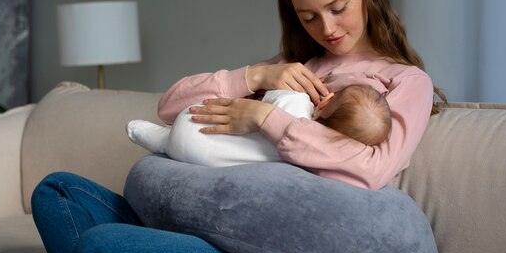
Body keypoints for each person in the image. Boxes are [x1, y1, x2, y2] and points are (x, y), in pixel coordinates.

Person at [31, 0, 446, 253]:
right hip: (219, 216)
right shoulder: (297, 64)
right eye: (309, 17)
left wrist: (267, 117)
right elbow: (168, 108)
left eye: (338, 8)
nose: (328, 29)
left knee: (103, 250)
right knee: (58, 192)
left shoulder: (405, 81)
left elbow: (374, 167)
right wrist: (253, 78)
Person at [126, 83, 392, 167]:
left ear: (326, 101)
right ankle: (164, 141)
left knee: (167, 138)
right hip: (201, 159)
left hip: (196, 120)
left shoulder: (296, 100)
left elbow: (262, 99)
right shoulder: (309, 158)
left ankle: (160, 138)